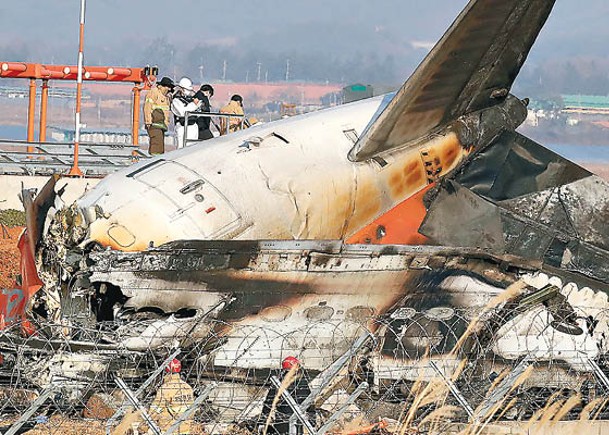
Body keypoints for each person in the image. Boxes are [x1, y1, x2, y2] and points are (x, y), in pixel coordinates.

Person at [111, 358, 194, 435]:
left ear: (166, 373)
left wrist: (142, 427)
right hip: (185, 430)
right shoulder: (187, 387)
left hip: (169, 431)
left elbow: (154, 413)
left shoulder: (165, 389)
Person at [261, 356, 313, 435]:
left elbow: (268, 403)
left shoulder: (278, 383)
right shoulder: (302, 383)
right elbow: (310, 403)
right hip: (298, 421)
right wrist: (312, 422)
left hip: (281, 421)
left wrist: (262, 422)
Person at [143, 76, 174, 154]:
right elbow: (147, 107)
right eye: (168, 87)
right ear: (163, 86)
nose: (169, 90)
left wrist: (166, 123)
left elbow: (166, 112)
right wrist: (148, 121)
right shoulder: (154, 92)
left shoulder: (166, 97)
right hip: (154, 124)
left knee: (160, 147)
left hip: (161, 126)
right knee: (156, 146)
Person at [171, 77, 201, 148]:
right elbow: (182, 112)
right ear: (181, 89)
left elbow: (198, 111)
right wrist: (194, 104)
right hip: (182, 127)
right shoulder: (176, 100)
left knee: (193, 148)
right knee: (181, 148)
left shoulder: (190, 99)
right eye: (187, 90)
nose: (189, 92)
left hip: (193, 126)